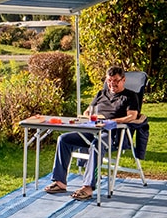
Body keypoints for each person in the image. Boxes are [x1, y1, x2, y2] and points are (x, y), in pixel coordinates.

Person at [44, 65, 143, 200]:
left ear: (123, 80)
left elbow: (131, 116)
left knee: (97, 144)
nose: (112, 84)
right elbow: (87, 112)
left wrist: (110, 122)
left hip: (113, 133)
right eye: (109, 80)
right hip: (92, 129)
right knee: (64, 139)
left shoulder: (130, 96)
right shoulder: (101, 94)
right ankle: (60, 182)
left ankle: (88, 188)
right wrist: (89, 118)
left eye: (116, 80)